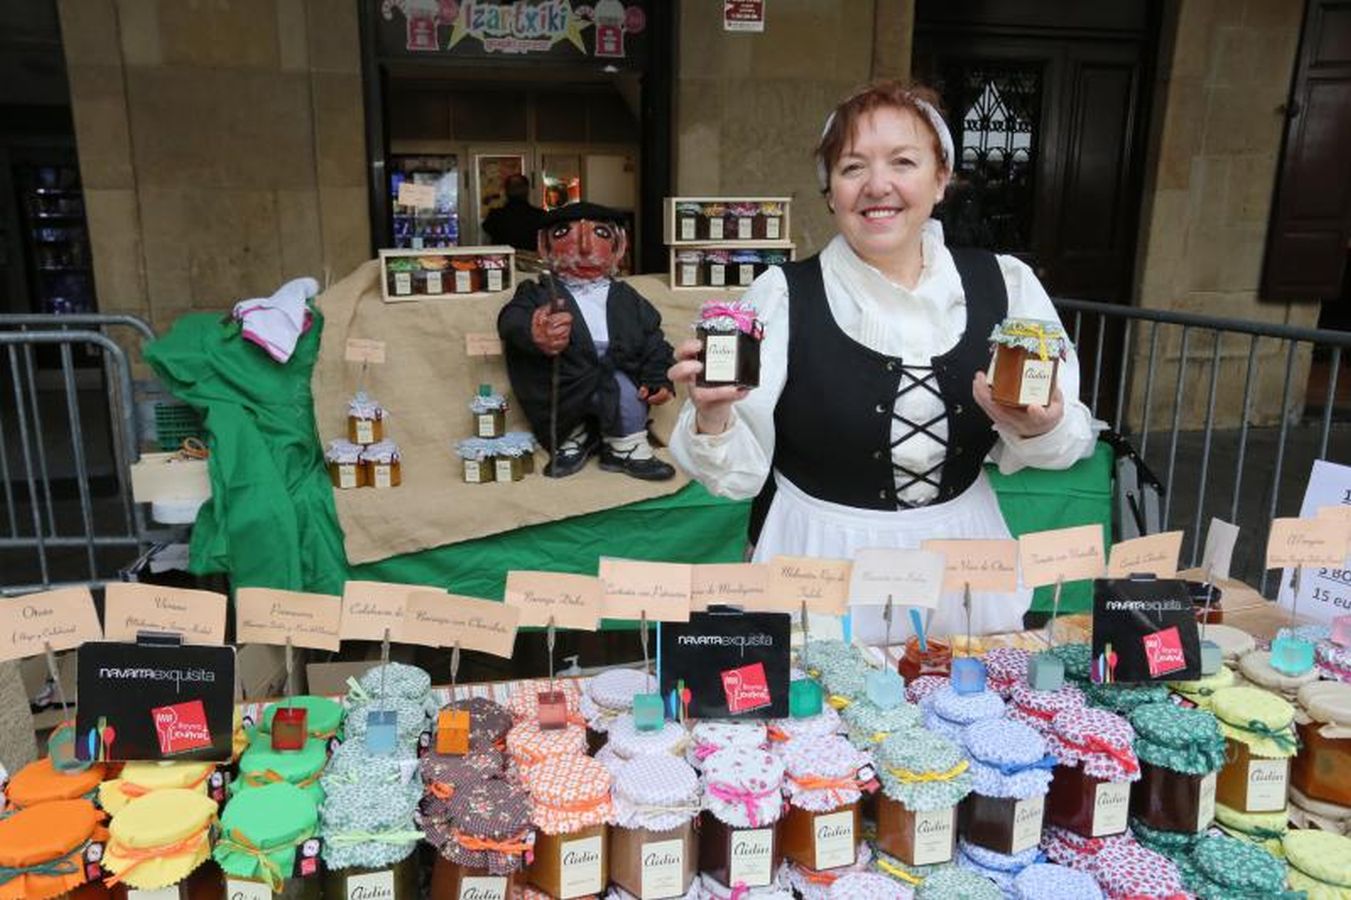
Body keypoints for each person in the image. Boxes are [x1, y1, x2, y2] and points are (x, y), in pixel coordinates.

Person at [668, 80, 1098, 640]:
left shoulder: (1007, 286)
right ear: (829, 192)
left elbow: (1063, 439)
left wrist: (1040, 427)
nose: (878, 186)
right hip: (821, 554)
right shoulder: (781, 296)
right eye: (852, 168)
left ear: (941, 179)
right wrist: (713, 417)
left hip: (962, 549)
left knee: (965, 706)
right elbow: (738, 476)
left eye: (903, 162)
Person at [498, 201, 676, 481]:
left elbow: (653, 340)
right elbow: (511, 320)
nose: (584, 247)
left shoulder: (628, 298)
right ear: (544, 246)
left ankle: (625, 444)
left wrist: (658, 378)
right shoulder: (537, 292)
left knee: (626, 395)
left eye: (601, 234)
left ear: (619, 245)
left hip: (616, 370)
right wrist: (534, 332)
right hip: (567, 377)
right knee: (563, 399)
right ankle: (573, 436)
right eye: (562, 234)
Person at [482, 173, 545, 250]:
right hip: (531, 260)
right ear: (527, 190)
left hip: (504, 260)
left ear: (506, 191)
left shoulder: (495, 216)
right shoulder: (540, 216)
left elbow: (487, 229)